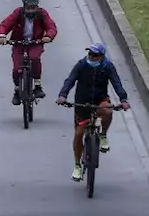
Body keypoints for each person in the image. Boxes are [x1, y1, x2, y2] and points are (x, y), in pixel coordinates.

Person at [55, 43, 130, 180]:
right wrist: (62, 95)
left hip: (99, 100)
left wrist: (123, 99)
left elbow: (116, 83)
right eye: (89, 54)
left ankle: (103, 135)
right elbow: (70, 80)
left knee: (108, 111)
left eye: (94, 55)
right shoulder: (81, 65)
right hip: (82, 103)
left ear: (101, 57)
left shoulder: (107, 67)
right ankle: (77, 165)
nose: (91, 57)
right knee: (79, 133)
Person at [0, 0, 58, 104]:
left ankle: (37, 86)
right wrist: (2, 35)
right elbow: (5, 24)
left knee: (34, 58)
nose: (31, 11)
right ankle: (16, 90)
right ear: (24, 7)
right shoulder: (18, 13)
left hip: (35, 43)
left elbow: (51, 26)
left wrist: (48, 36)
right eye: (28, 8)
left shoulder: (42, 14)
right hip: (18, 43)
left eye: (33, 8)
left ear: (37, 6)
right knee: (16, 69)